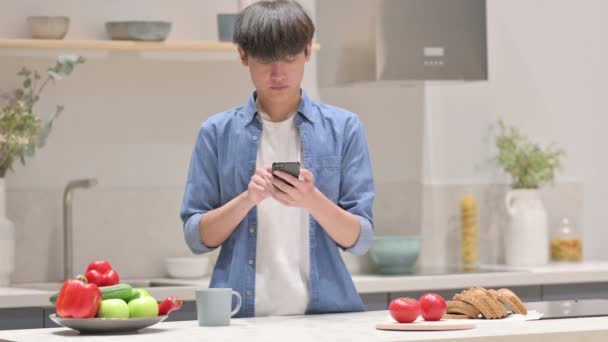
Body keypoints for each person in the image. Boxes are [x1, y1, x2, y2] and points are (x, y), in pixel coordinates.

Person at [180, 0, 375, 318]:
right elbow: (197, 238)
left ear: (308, 51)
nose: (278, 73)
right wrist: (247, 199)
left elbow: (360, 240)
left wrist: (311, 199)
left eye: (290, 58)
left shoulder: (344, 128)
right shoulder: (215, 133)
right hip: (238, 318)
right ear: (243, 55)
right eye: (264, 59)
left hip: (326, 319)